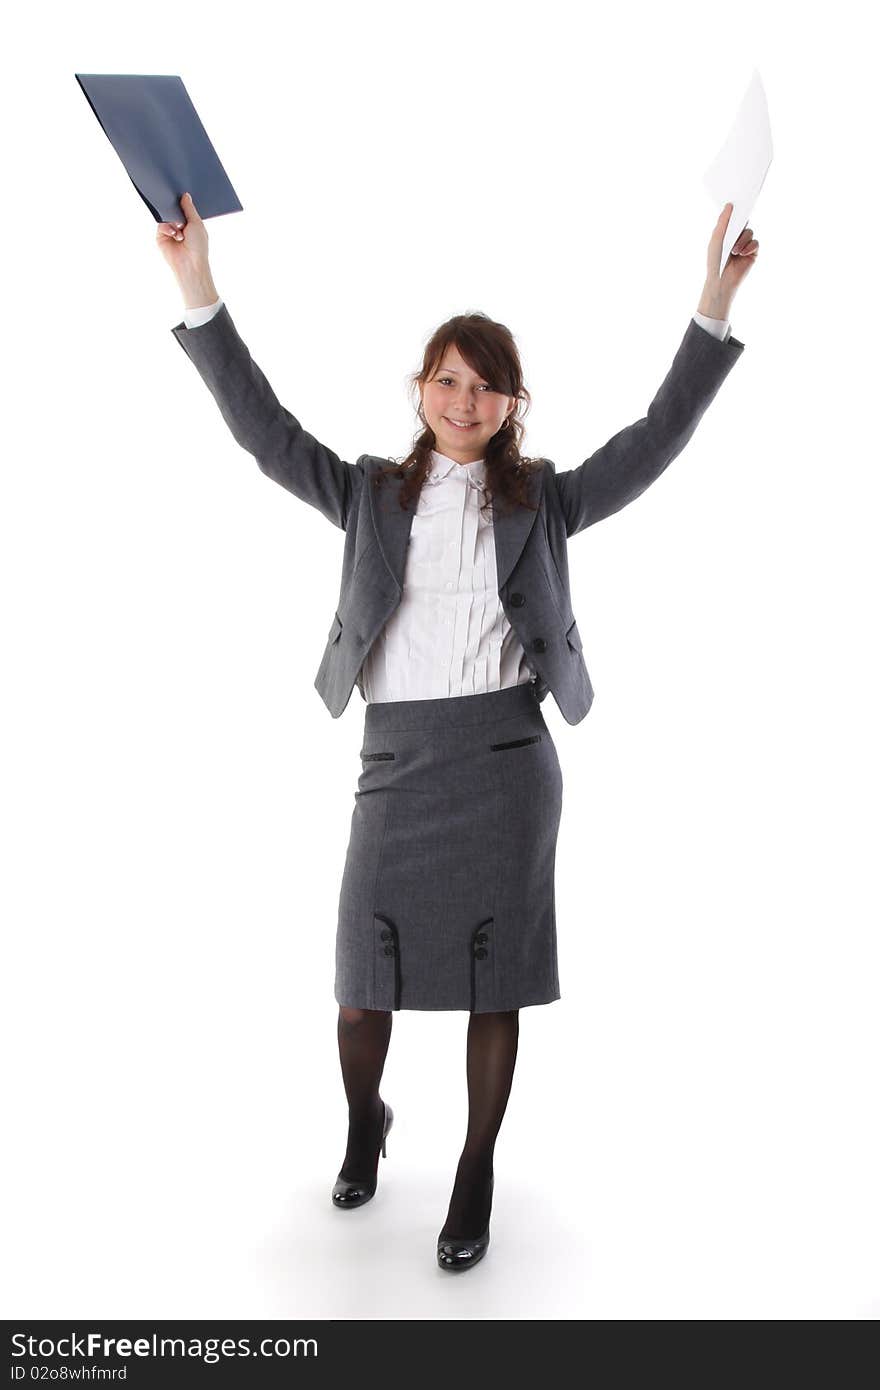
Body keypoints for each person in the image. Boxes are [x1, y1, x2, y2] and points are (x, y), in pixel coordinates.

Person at [156, 193, 758, 1273]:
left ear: (510, 403)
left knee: (496, 981)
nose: (463, 398)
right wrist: (196, 281)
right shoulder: (367, 495)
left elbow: (658, 436)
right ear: (420, 389)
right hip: (393, 764)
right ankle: (365, 1119)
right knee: (357, 986)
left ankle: (475, 1163)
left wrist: (710, 302)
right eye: (447, 378)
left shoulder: (545, 502)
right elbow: (258, 425)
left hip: (505, 766)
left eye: (484, 385)